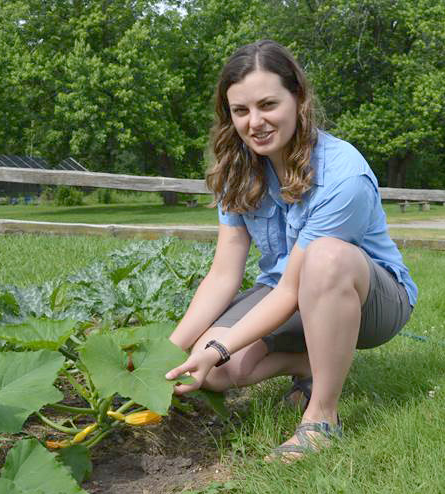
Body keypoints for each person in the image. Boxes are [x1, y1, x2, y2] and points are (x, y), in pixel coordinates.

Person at [165, 39, 417, 462]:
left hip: (370, 298)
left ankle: (321, 418)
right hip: (289, 292)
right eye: (241, 111)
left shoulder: (343, 174)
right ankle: (306, 365)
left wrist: (219, 346)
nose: (255, 122)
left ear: (297, 98)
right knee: (215, 370)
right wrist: (172, 350)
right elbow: (224, 275)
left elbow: (291, 290)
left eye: (268, 105)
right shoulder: (237, 170)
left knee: (325, 258)